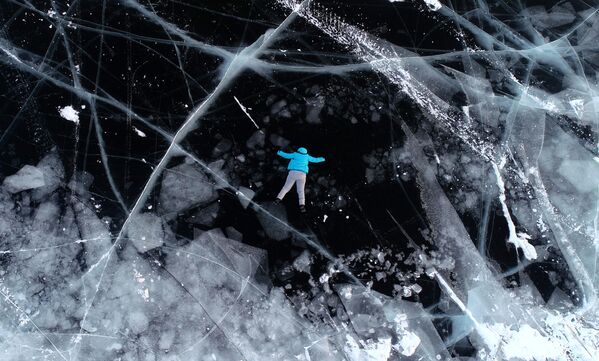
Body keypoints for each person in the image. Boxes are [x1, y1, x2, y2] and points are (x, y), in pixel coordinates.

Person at [275, 147, 325, 213]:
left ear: (298, 151)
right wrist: (322, 159)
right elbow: (315, 160)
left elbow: (286, 155)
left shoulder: (295, 154)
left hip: (293, 172)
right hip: (302, 174)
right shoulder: (307, 156)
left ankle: (278, 199)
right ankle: (302, 204)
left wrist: (279, 152)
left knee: (286, 188)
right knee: (301, 191)